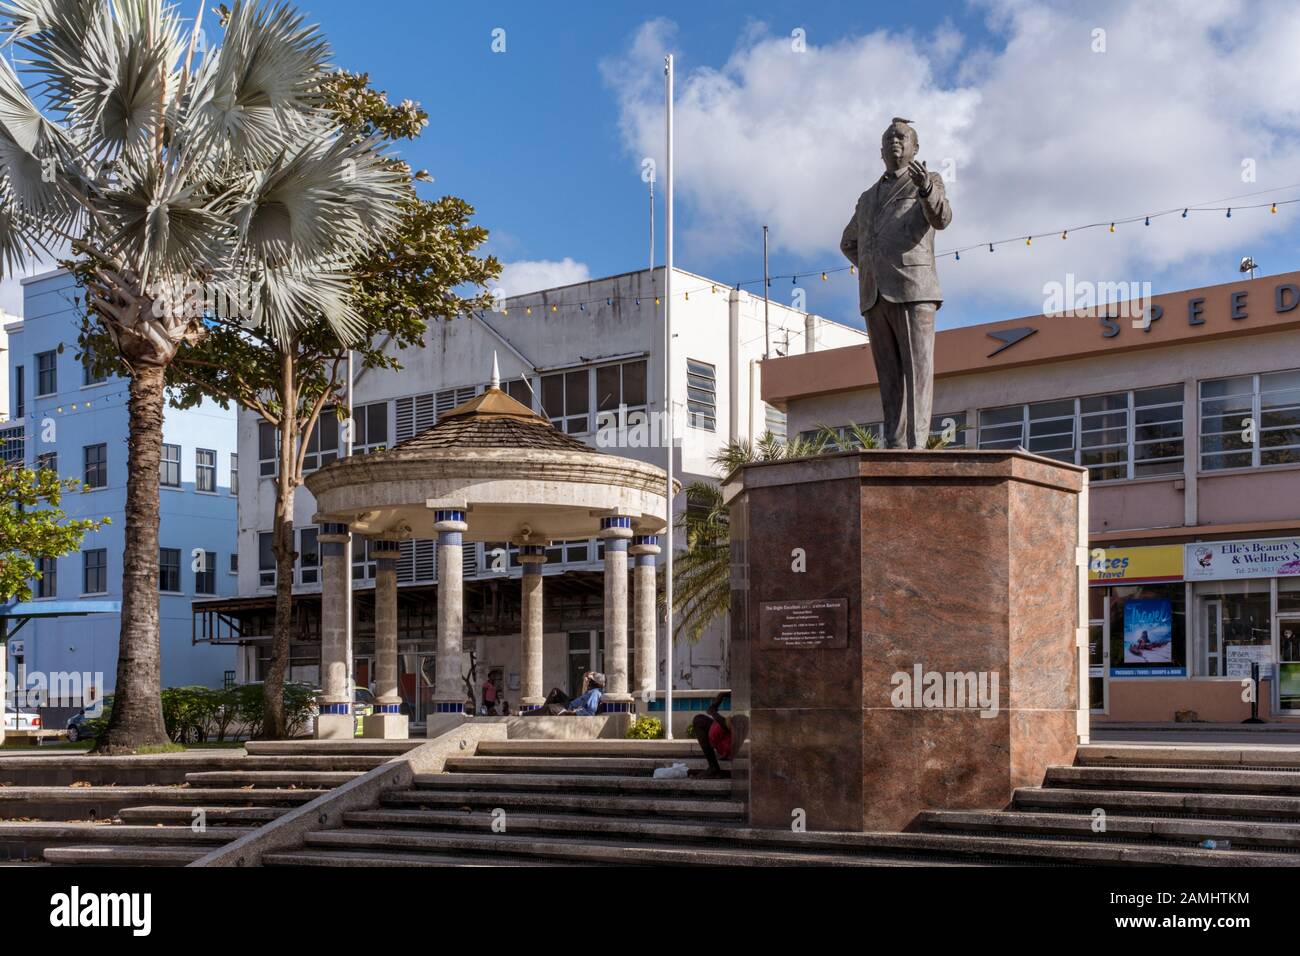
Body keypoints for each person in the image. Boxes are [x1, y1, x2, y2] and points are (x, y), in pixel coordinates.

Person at [840, 118, 952, 449]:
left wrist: (926, 190)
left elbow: (942, 218)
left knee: (918, 371)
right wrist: (872, 267)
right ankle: (894, 442)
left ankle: (917, 445)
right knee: (889, 377)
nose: (895, 142)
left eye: (902, 138)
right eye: (889, 138)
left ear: (916, 148)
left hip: (913, 288)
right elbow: (849, 242)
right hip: (875, 294)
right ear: (880, 151)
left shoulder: (928, 181)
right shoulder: (867, 197)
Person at [692, 692, 733, 778]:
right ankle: (714, 767)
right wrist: (721, 696)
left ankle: (713, 767)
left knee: (699, 721)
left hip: (730, 743)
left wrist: (713, 713)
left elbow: (728, 726)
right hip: (727, 738)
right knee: (699, 720)